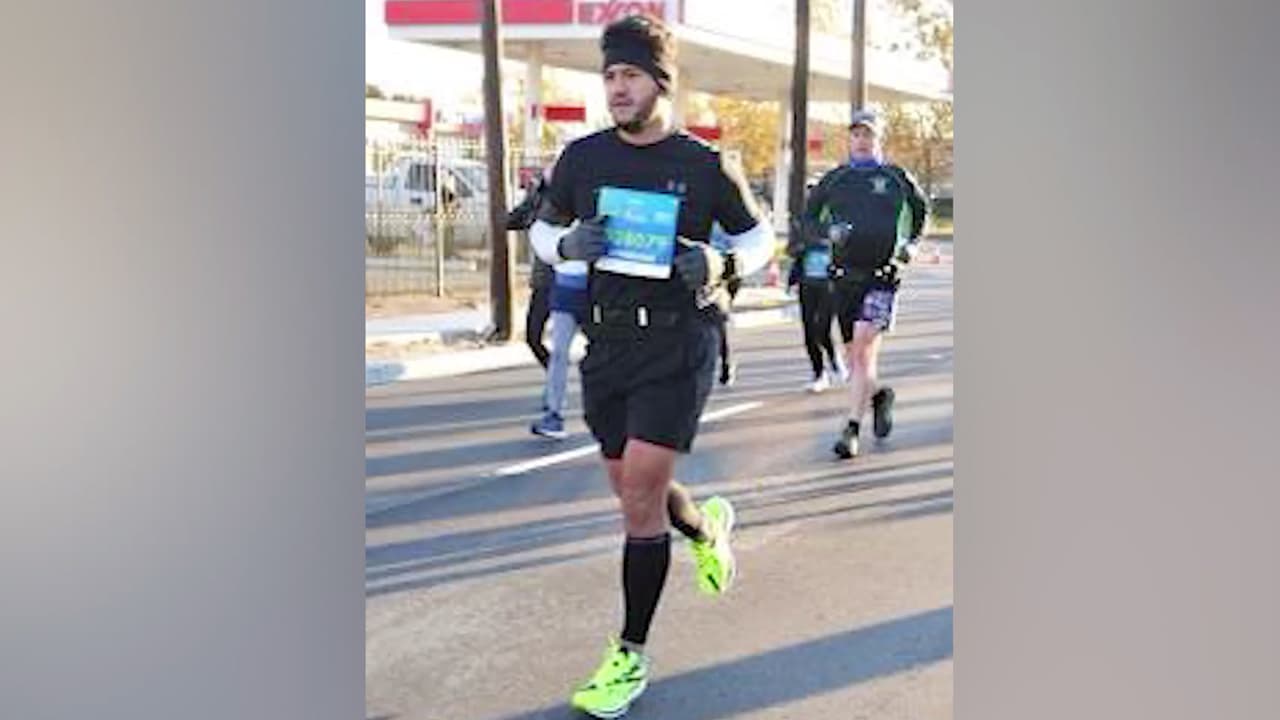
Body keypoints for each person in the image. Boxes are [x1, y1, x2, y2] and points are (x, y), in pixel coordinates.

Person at [527, 14, 775, 718]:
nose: (617, 88)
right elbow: (544, 230)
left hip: (678, 343)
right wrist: (566, 243)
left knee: (639, 496)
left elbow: (762, 240)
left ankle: (628, 656)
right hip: (607, 349)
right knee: (635, 489)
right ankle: (706, 530)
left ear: (661, 81)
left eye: (630, 74)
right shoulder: (582, 159)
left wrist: (724, 261)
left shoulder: (704, 164)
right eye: (609, 76)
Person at [800, 109, 929, 459]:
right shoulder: (836, 179)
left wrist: (912, 244)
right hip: (844, 278)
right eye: (856, 134)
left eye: (868, 135)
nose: (862, 141)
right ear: (849, 139)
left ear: (878, 139)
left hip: (883, 276)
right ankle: (878, 396)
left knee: (862, 348)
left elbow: (921, 210)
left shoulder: (895, 177)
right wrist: (828, 233)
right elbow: (808, 220)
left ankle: (851, 429)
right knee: (855, 356)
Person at [785, 219, 846, 393]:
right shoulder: (803, 222)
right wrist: (800, 248)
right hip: (807, 283)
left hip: (830, 285)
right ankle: (819, 373)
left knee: (822, 328)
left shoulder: (838, 220)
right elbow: (790, 249)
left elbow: (848, 249)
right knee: (809, 331)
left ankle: (834, 358)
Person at [508, 171, 554, 370]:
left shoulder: (579, 193)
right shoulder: (540, 195)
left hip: (575, 281)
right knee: (533, 337)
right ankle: (556, 379)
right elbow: (515, 219)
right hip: (545, 280)